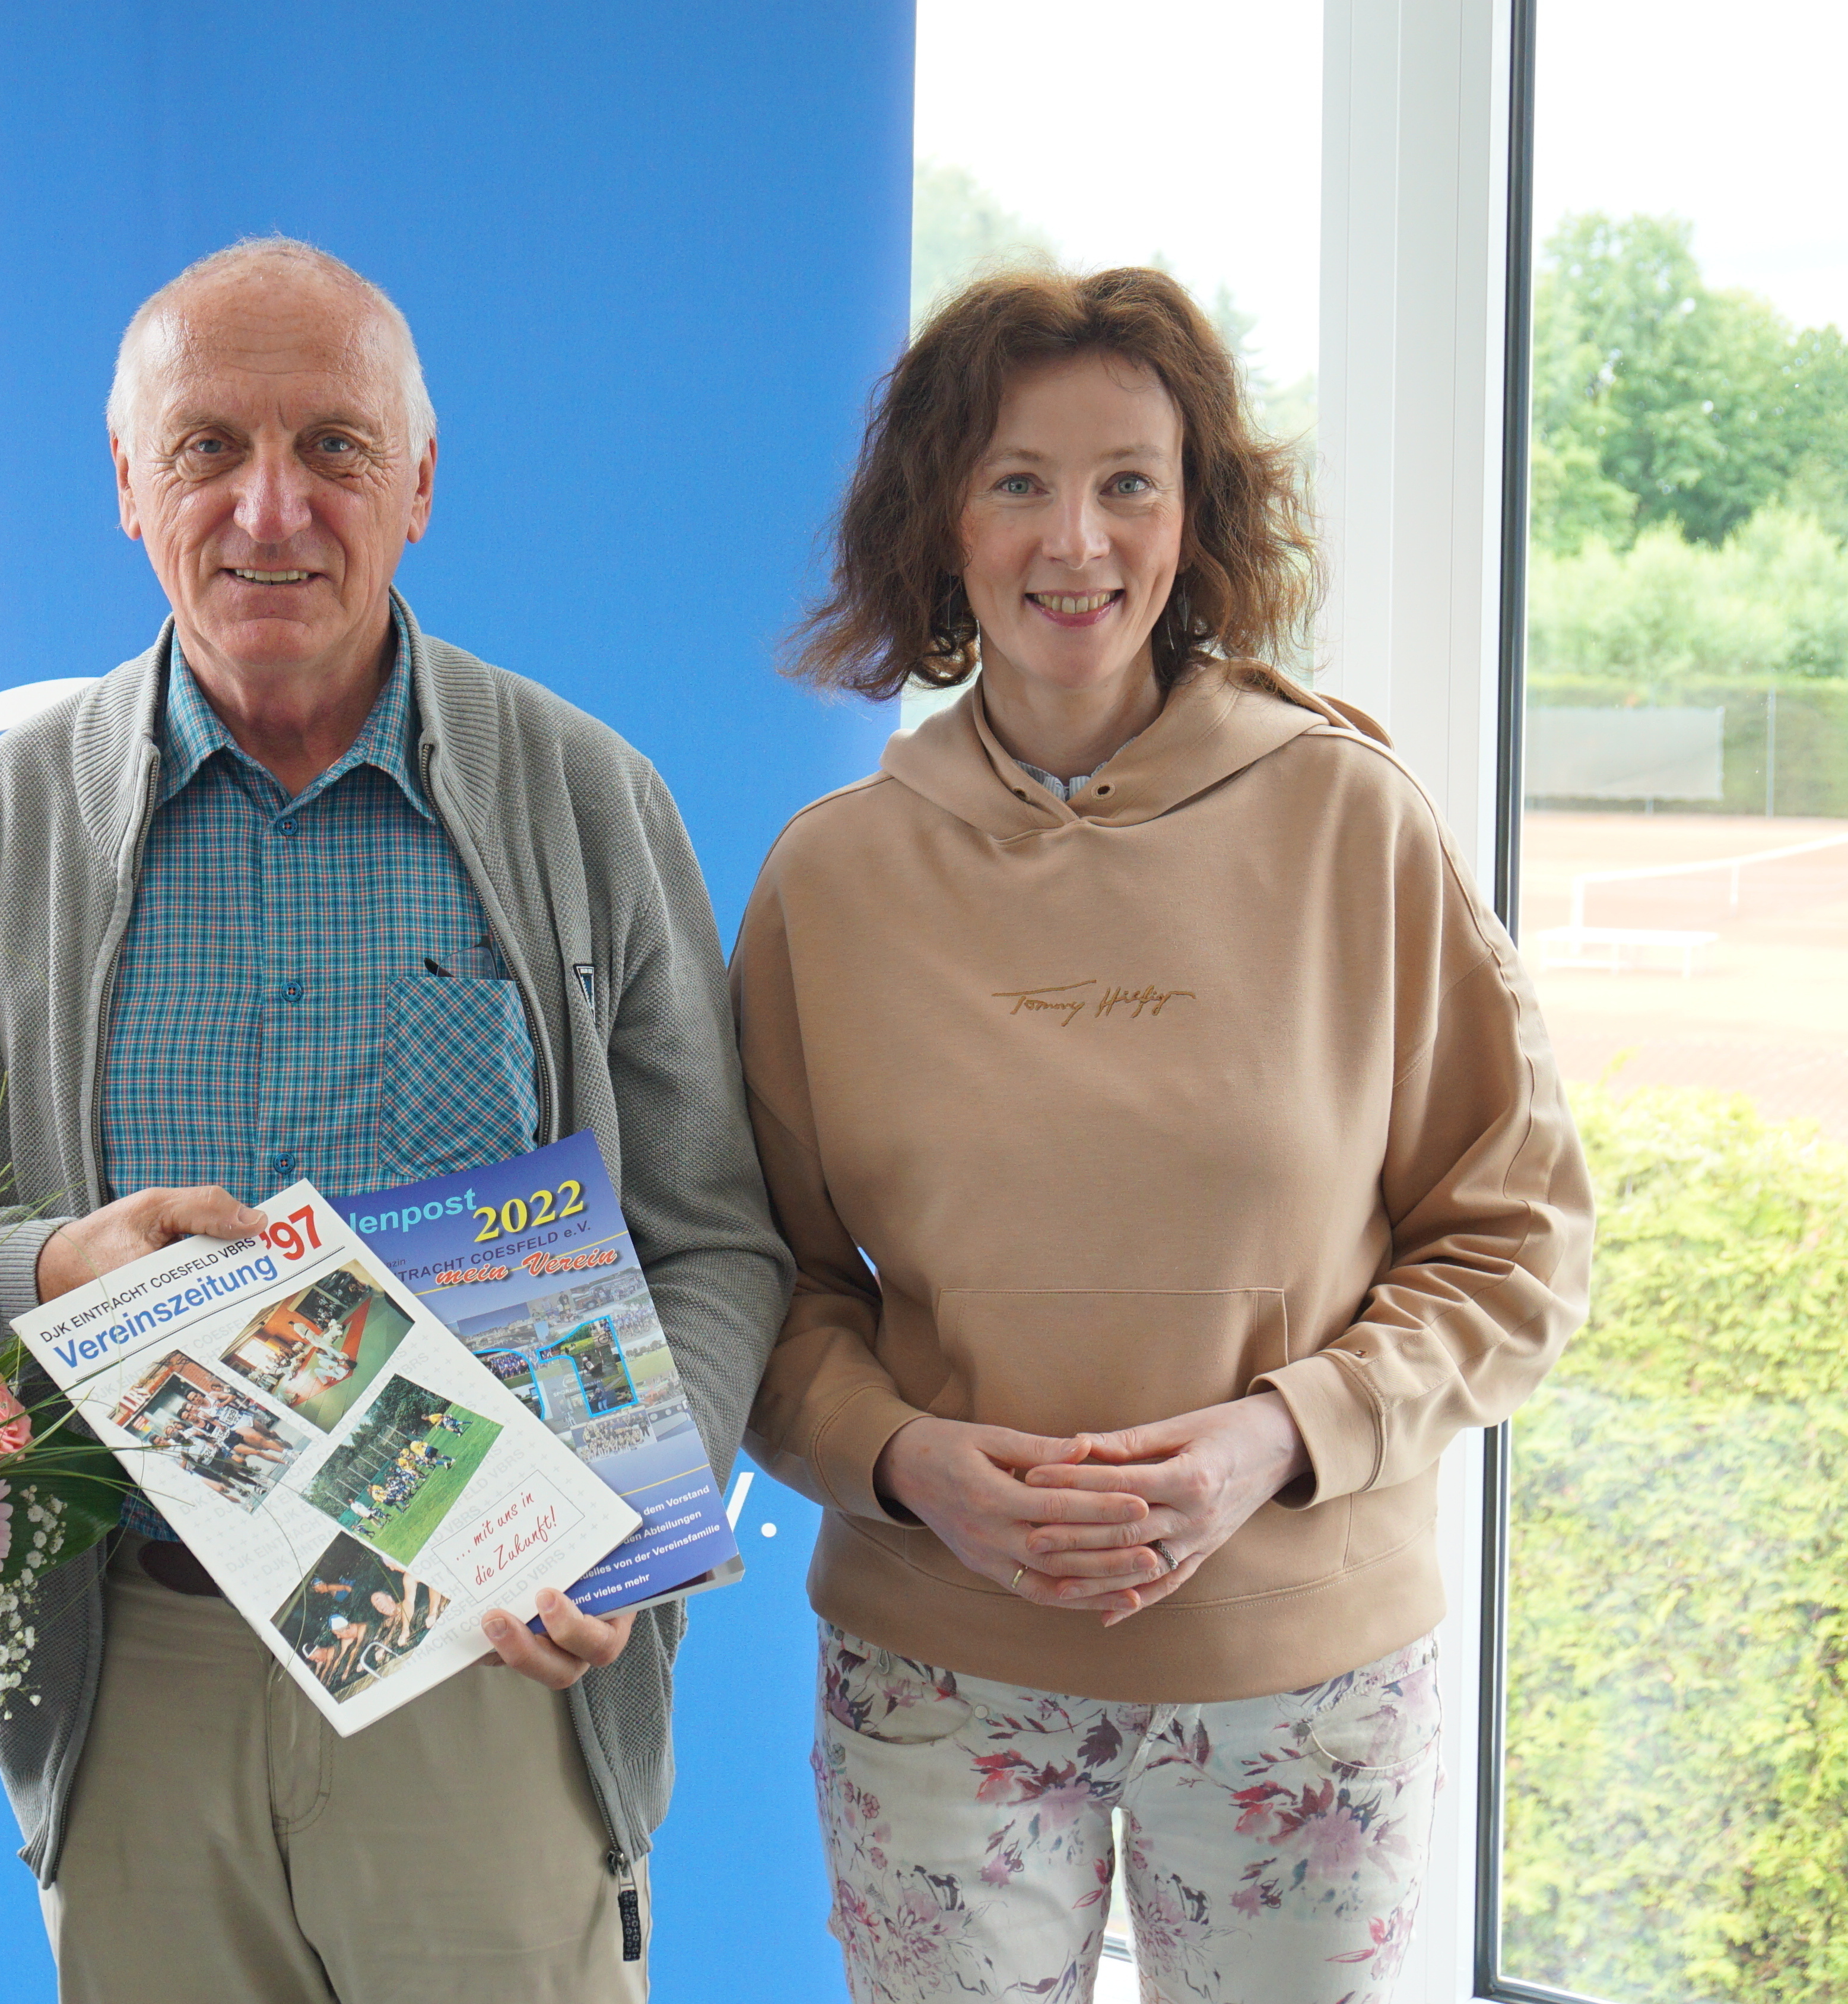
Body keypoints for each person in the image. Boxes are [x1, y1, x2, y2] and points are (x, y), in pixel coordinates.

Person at [0, 237, 790, 2003]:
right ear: (126, 484)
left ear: (419, 484)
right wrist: (48, 1266)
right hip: (140, 1673)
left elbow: (718, 1236)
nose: (269, 509)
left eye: (334, 448)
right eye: (208, 447)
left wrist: (630, 1522)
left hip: (492, 1671)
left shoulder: (588, 800)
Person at [735, 267, 1594, 2003]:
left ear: (1197, 517)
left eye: (1130, 480)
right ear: (943, 525)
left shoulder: (1354, 822)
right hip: (938, 1676)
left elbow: (1517, 1245)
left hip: (1308, 1684)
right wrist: (908, 1462)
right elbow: (765, 1281)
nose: (1078, 540)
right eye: (1018, 482)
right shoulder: (832, 877)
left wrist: (1278, 1438)